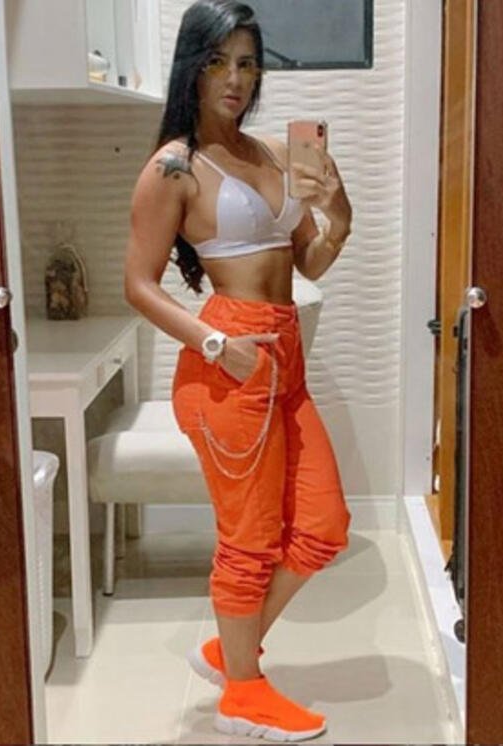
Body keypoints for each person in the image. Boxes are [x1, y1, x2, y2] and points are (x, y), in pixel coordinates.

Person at [124, 0, 352, 740]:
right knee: (250, 538)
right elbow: (138, 284)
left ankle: (233, 650)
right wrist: (218, 345)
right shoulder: (173, 166)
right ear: (192, 68)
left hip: (286, 358)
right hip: (230, 361)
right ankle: (243, 694)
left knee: (322, 525)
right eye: (219, 61)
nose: (235, 78)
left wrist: (340, 215)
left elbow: (305, 262)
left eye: (248, 63)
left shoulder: (271, 152)